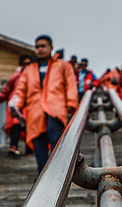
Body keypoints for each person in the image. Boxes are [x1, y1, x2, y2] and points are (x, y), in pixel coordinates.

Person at [8, 34, 77, 172]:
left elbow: (71, 85)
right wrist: (17, 105)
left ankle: (59, 174)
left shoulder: (63, 66)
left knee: (57, 141)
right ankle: (42, 176)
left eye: (43, 46)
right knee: (39, 145)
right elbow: (21, 91)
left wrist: (71, 103)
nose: (40, 49)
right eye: (37, 46)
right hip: (35, 112)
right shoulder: (29, 70)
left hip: (55, 110)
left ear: (51, 47)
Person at [0, 54, 31, 155]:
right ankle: (13, 146)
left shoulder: (35, 76)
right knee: (16, 125)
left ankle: (29, 150)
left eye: (28, 64)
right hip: (16, 104)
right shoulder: (15, 77)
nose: (26, 66)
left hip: (30, 105)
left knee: (29, 126)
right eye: (24, 64)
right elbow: (5, 92)